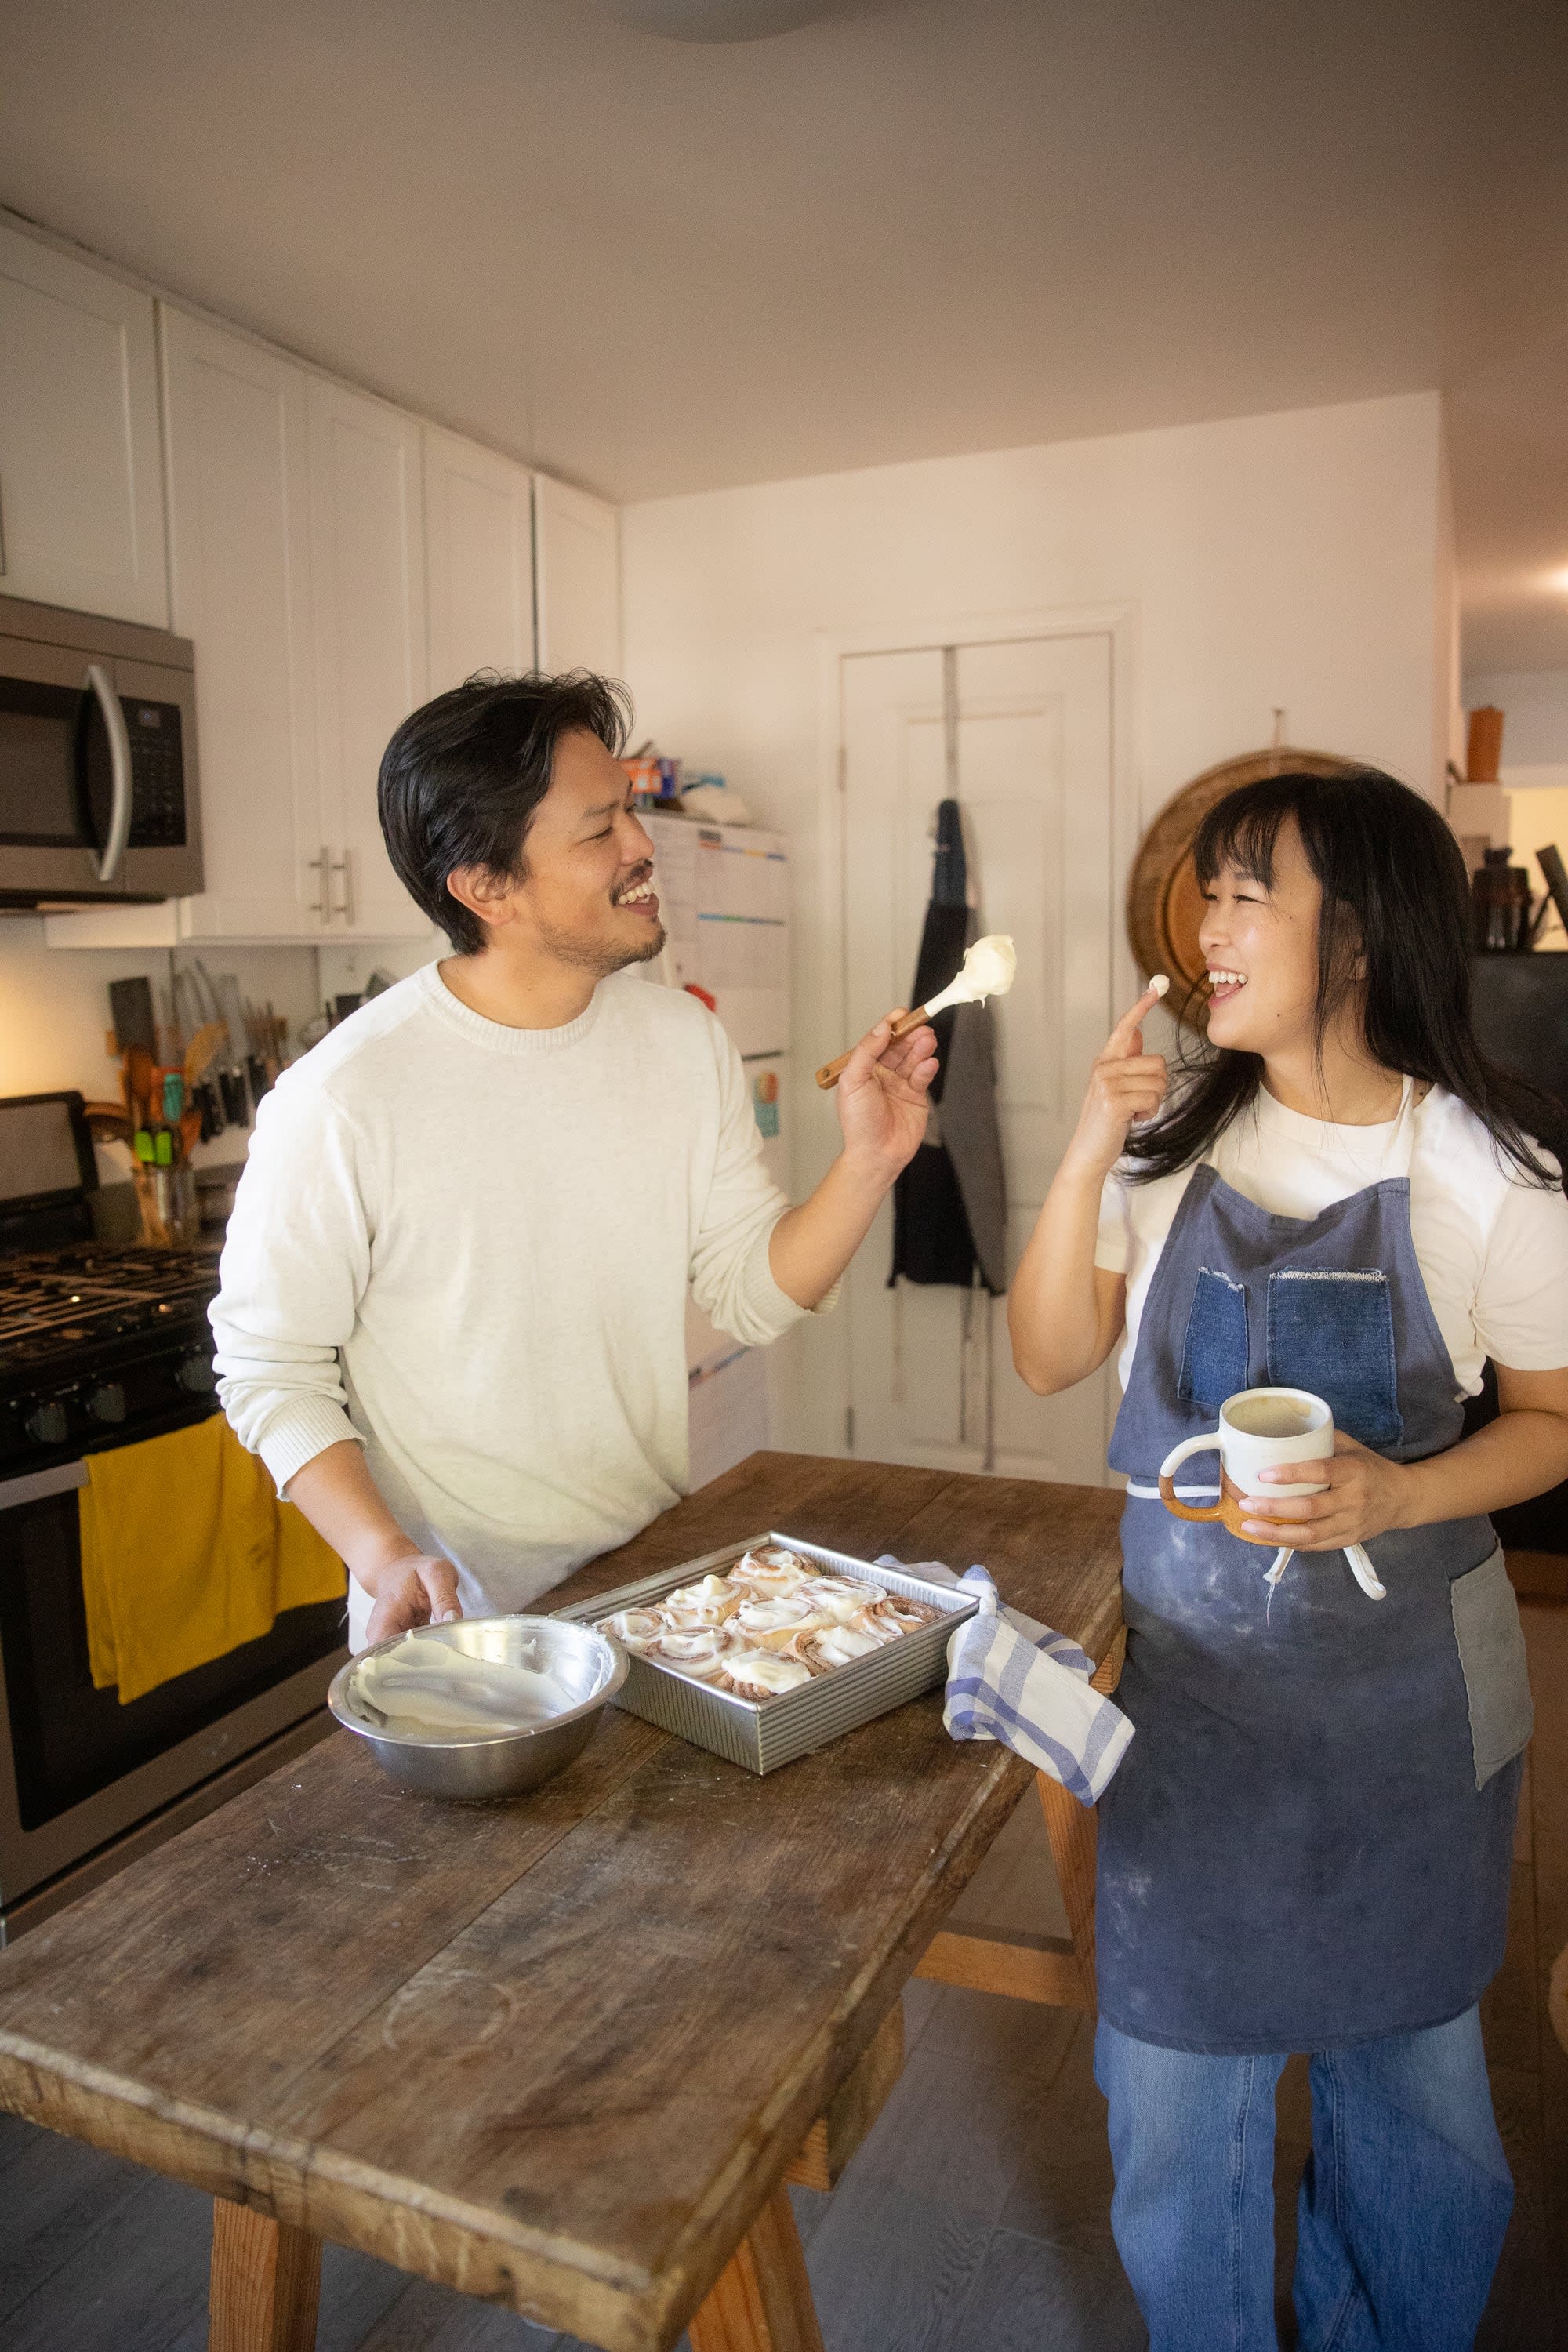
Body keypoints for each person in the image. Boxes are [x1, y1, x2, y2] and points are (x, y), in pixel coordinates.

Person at [1007, 768, 1568, 2352]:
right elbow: (1051, 1355)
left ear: (1361, 941)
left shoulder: (1489, 1172)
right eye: (1209, 892)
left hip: (1410, 1717)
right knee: (1175, 2105)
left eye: (1250, 892)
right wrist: (1084, 1144)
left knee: (1422, 2105)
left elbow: (1550, 1422)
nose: (1208, 927)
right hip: (1196, 1705)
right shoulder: (1171, 1140)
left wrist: (1399, 1496)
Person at [211, 671, 937, 1647]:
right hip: (461, 1630)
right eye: (600, 829)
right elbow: (269, 1371)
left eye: (629, 812)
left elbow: (747, 1296)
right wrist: (382, 1555)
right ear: (485, 887)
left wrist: (866, 1162)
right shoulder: (342, 1099)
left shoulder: (682, 1040)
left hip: (651, 1587)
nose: (642, 848)